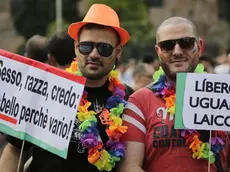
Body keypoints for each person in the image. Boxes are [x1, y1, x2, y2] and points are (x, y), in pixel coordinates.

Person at [0, 4, 132, 172]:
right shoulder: (46, 89)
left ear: (118, 51)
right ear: (76, 47)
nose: (93, 54)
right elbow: (14, 150)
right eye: (86, 46)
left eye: (104, 48)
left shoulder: (129, 99)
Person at [118, 17, 230, 172]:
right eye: (167, 46)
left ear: (200, 46)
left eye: (186, 42)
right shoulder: (139, 101)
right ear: (158, 51)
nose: (177, 51)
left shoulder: (224, 95)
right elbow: (129, 166)